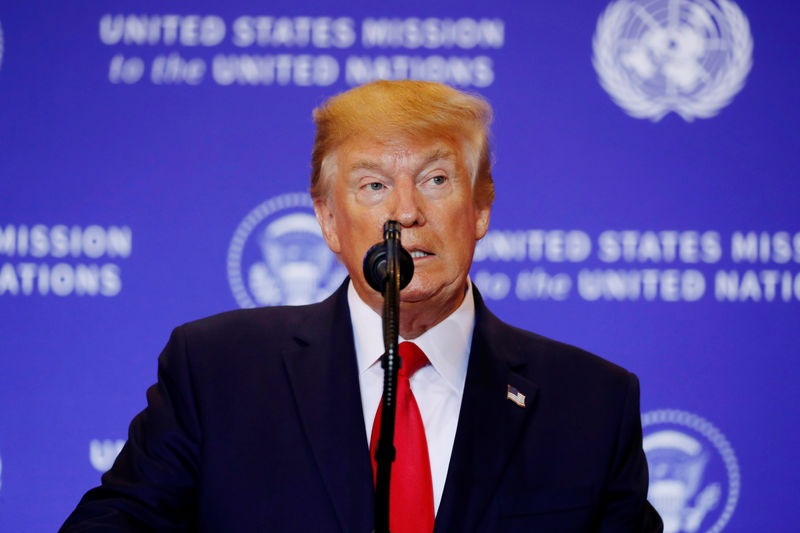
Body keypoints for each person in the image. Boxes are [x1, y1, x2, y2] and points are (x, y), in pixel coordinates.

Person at [62, 80, 662, 532]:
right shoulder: (217, 371)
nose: (404, 211)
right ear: (328, 220)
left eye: (436, 179)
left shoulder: (591, 402)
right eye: (373, 185)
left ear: (481, 208)